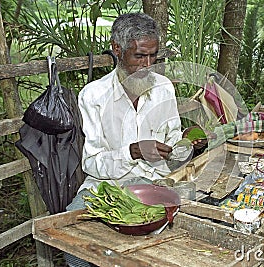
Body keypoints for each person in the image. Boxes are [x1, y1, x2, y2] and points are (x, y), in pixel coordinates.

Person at [64, 12, 205, 267]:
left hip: (155, 181)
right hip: (106, 185)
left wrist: (186, 145)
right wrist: (132, 152)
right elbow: (92, 163)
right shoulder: (94, 95)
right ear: (117, 49)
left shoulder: (163, 88)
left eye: (153, 56)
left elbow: (173, 143)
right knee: (74, 246)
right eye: (139, 56)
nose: (147, 65)